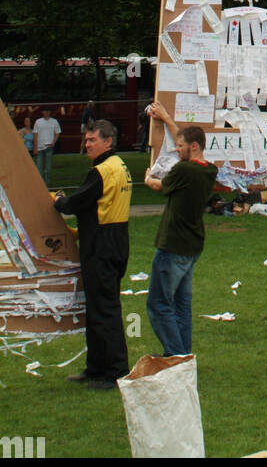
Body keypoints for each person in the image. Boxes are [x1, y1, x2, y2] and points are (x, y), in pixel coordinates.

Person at [53, 119, 132, 388]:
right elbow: (94, 208)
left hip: (102, 246)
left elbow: (76, 203)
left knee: (104, 309)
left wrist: (57, 202)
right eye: (85, 140)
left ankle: (115, 371)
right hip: (114, 241)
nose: (86, 144)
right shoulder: (119, 165)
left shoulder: (102, 171)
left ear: (108, 141)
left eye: (92, 140)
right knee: (98, 307)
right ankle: (96, 367)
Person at [143, 101, 218, 357]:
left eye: (180, 146)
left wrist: (148, 178)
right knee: (181, 305)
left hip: (172, 245)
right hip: (192, 245)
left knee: (158, 304)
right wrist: (166, 118)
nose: (176, 149)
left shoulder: (184, 170)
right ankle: (183, 354)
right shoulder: (209, 170)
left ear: (193, 147)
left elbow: (159, 187)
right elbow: (183, 138)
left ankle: (175, 356)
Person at [33, 108, 62, 186]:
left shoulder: (54, 121)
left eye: (48, 111)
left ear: (50, 112)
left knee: (47, 168)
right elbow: (35, 134)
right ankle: (40, 183)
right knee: (39, 167)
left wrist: (53, 142)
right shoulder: (38, 121)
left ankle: (47, 182)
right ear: (42, 112)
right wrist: (35, 147)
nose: (46, 112)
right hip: (39, 147)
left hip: (49, 147)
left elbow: (57, 133)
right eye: (45, 111)